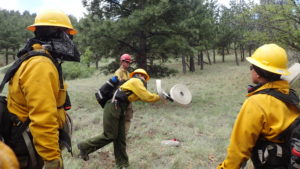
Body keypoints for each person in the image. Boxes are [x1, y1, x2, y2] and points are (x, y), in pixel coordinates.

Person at [5, 9, 80, 169]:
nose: (70, 38)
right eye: (67, 33)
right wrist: (52, 159)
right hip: (30, 146)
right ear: (58, 34)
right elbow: (42, 117)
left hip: (30, 142)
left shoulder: (38, 58)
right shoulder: (40, 65)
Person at [216, 44, 300, 169]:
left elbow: (238, 152)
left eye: (252, 67)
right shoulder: (290, 95)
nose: (251, 70)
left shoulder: (256, 103)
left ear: (258, 73)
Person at [77, 68, 161, 169]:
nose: (145, 79)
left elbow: (143, 97)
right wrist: (159, 96)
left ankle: (122, 164)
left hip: (120, 109)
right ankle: (84, 146)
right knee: (110, 135)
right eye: (144, 77)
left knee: (120, 138)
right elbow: (147, 97)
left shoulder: (134, 83)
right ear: (140, 75)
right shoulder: (136, 81)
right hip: (113, 106)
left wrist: (159, 96)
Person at [114, 53, 133, 136]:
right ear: (122, 62)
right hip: (120, 99)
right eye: (126, 62)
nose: (128, 64)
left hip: (128, 98)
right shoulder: (118, 72)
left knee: (128, 118)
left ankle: (124, 135)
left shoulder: (128, 73)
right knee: (120, 118)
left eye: (129, 62)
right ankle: (118, 135)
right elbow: (117, 85)